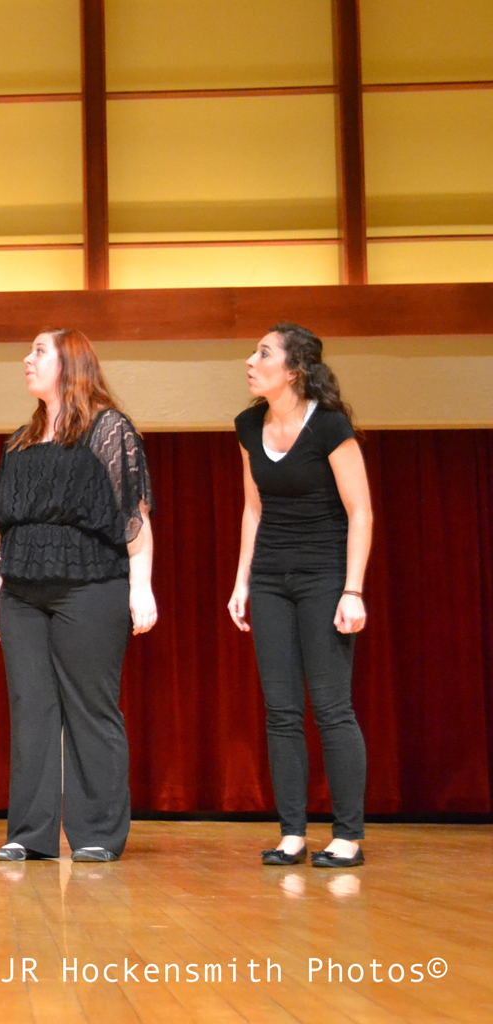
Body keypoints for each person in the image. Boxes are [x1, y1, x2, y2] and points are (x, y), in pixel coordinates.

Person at [0, 329, 156, 863]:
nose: (26, 360)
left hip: (91, 585)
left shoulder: (109, 430)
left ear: (69, 362)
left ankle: (98, 833)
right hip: (22, 590)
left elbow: (135, 517)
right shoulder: (20, 440)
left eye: (38, 351)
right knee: (30, 709)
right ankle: (29, 835)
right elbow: (6, 529)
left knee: (90, 709)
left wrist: (141, 587)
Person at [228, 323, 371, 868]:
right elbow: (253, 509)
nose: (250, 359)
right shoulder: (247, 424)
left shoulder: (329, 426)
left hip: (324, 576)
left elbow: (361, 510)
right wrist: (242, 579)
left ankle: (348, 836)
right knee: (281, 711)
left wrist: (352, 589)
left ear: (293, 370)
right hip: (270, 578)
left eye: (262, 352)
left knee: (332, 708)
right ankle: (292, 832)